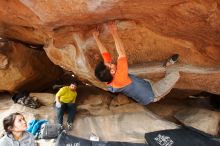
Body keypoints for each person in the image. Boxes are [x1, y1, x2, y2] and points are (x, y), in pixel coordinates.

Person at [93, 21, 180, 105]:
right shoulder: (120, 79)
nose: (109, 62)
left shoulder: (107, 78)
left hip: (146, 85)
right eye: (109, 64)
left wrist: (96, 38)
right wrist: (114, 31)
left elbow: (105, 54)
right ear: (112, 72)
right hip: (153, 93)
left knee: (165, 89)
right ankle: (169, 65)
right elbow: (121, 53)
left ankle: (162, 91)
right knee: (175, 75)